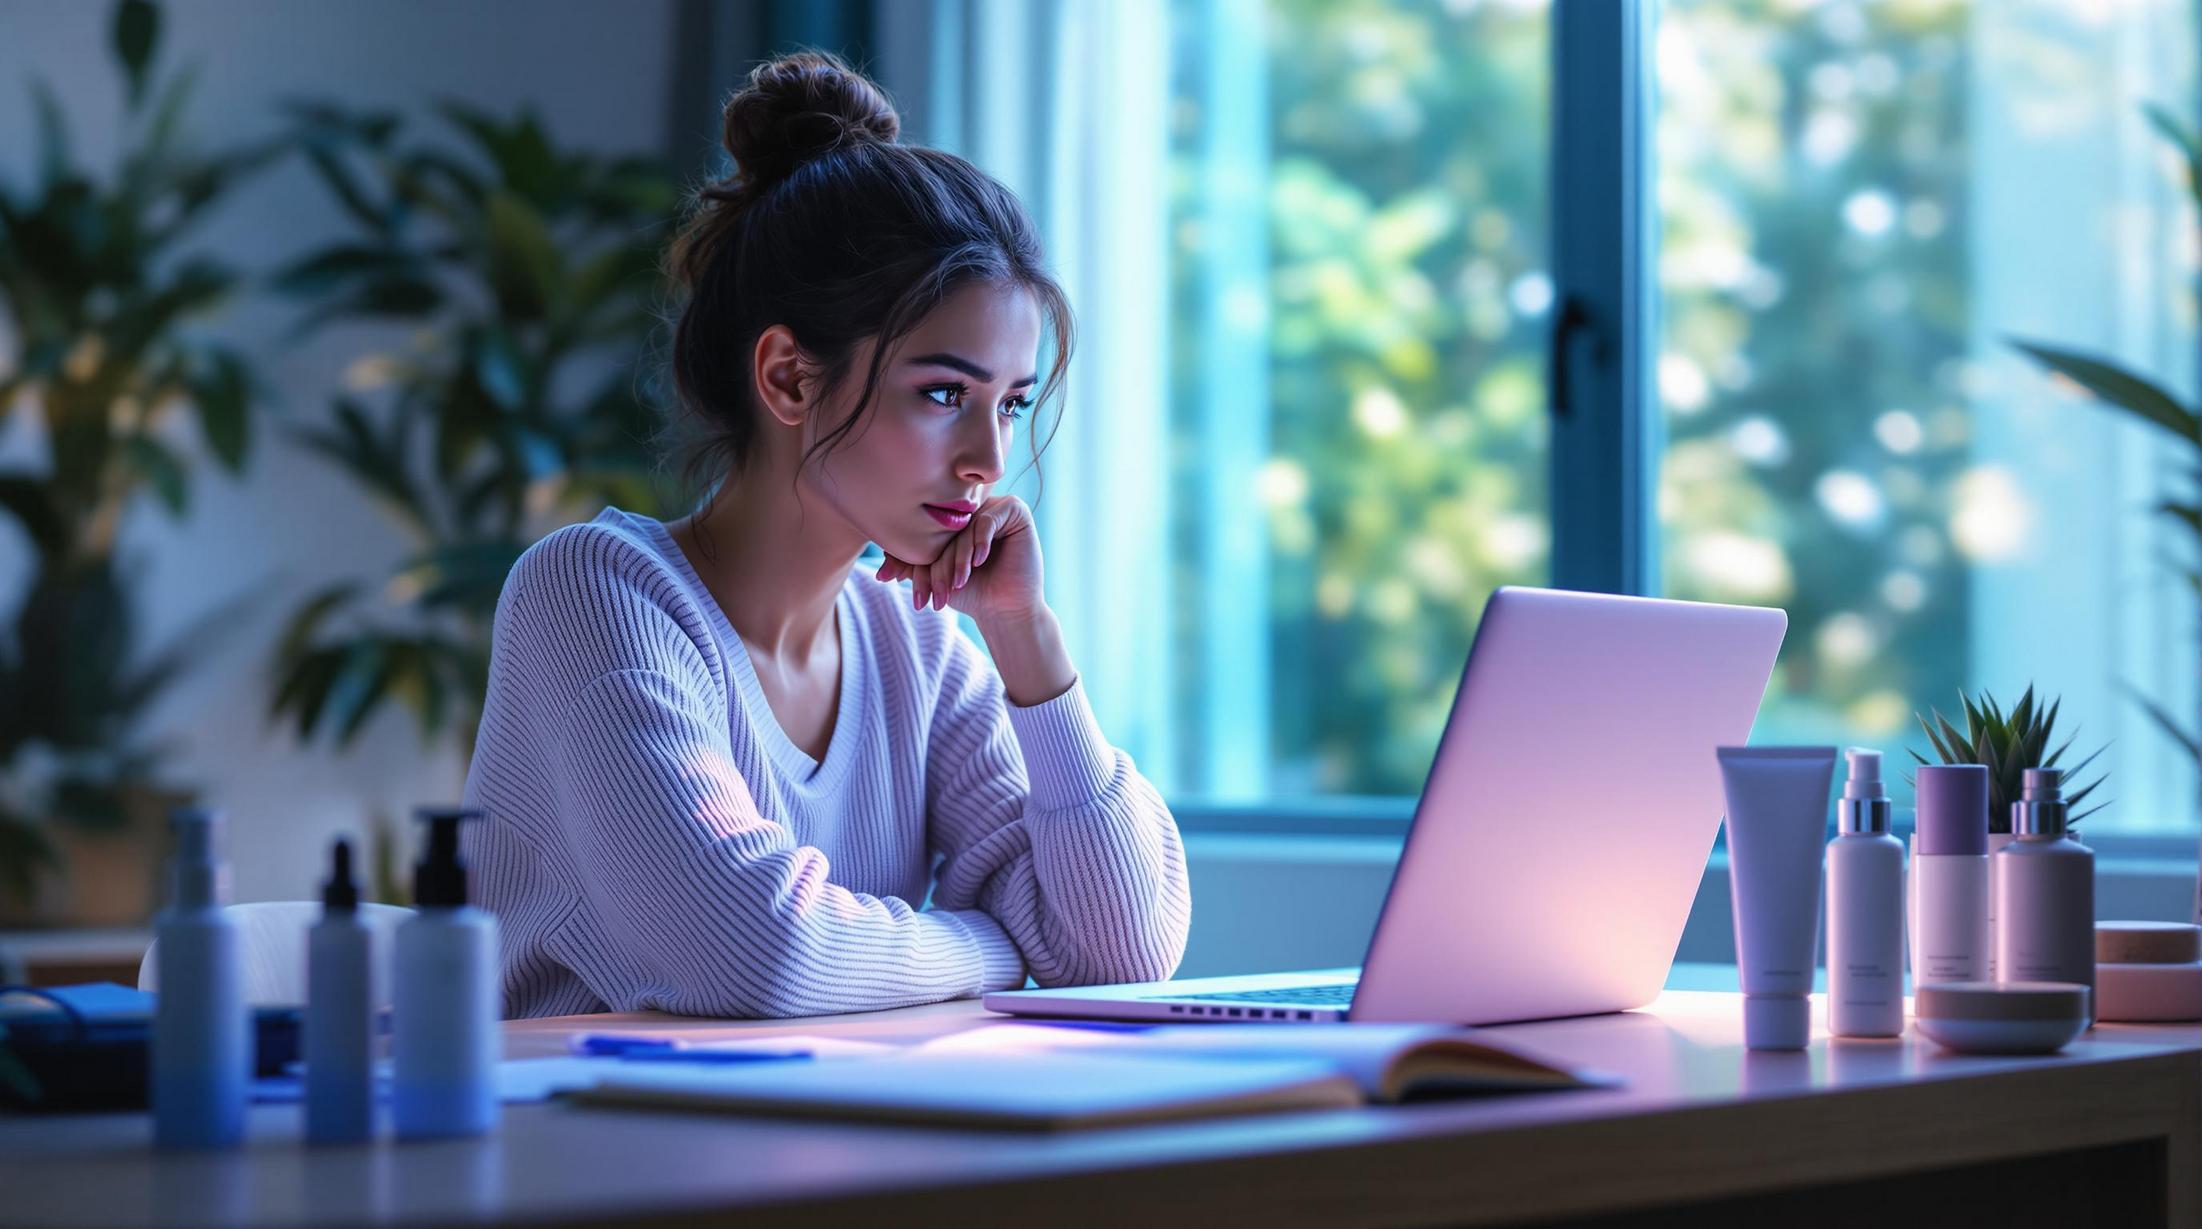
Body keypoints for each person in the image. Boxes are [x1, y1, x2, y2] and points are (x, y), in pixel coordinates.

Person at [461, 52, 1191, 1019]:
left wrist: (1029, 644)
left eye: (1010, 405)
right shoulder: (594, 594)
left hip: (814, 1153)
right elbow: (762, 956)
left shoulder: (915, 642)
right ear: (790, 379)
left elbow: (1120, 948)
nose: (987, 458)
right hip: (588, 1157)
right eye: (943, 394)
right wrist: (999, 945)